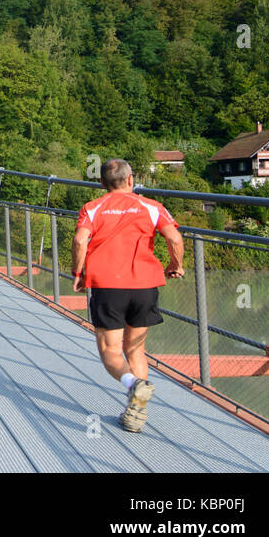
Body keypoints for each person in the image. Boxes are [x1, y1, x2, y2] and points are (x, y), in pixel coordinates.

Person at [72, 158, 185, 433]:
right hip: (146, 286)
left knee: (110, 351)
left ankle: (133, 385)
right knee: (135, 349)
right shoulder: (152, 206)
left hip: (108, 285)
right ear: (131, 180)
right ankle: (136, 412)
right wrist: (176, 265)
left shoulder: (93, 208)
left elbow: (79, 240)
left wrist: (78, 272)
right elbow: (175, 238)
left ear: (101, 183)